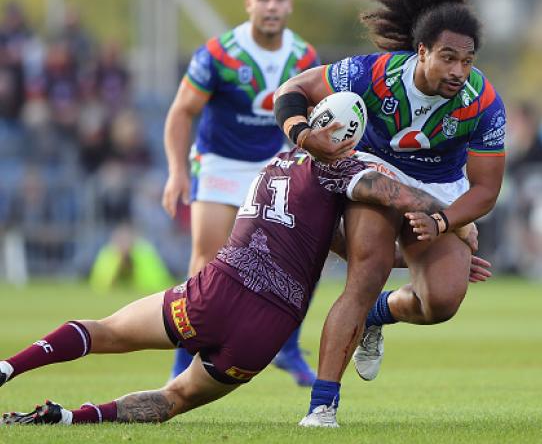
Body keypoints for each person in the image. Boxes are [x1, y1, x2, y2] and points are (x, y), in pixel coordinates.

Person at [0, 143, 487, 426]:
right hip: (268, 325)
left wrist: (417, 262)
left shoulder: (277, 159)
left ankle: (8, 367)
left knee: (104, 331)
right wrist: (457, 227)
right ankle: (69, 420)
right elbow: (401, 196)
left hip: (218, 290)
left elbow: (330, 242)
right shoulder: (346, 167)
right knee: (176, 399)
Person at [273, 0, 506, 426]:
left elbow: (484, 191)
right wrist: (302, 134)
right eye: (448, 57)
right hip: (375, 174)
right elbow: (292, 90)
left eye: (467, 60)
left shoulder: (482, 102)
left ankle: (380, 314)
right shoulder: (373, 73)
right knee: (366, 272)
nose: (459, 70)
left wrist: (443, 222)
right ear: (421, 52)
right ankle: (322, 406)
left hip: (440, 188)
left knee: (441, 301)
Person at [161, 0, 320, 384]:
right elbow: (182, 111)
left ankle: (287, 348)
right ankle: (182, 365)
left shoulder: (304, 57)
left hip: (277, 163)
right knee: (206, 259)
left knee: (299, 260)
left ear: (290, 6)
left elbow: (316, 112)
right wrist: (177, 171)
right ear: (249, 3)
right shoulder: (218, 54)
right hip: (220, 163)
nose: (272, 6)